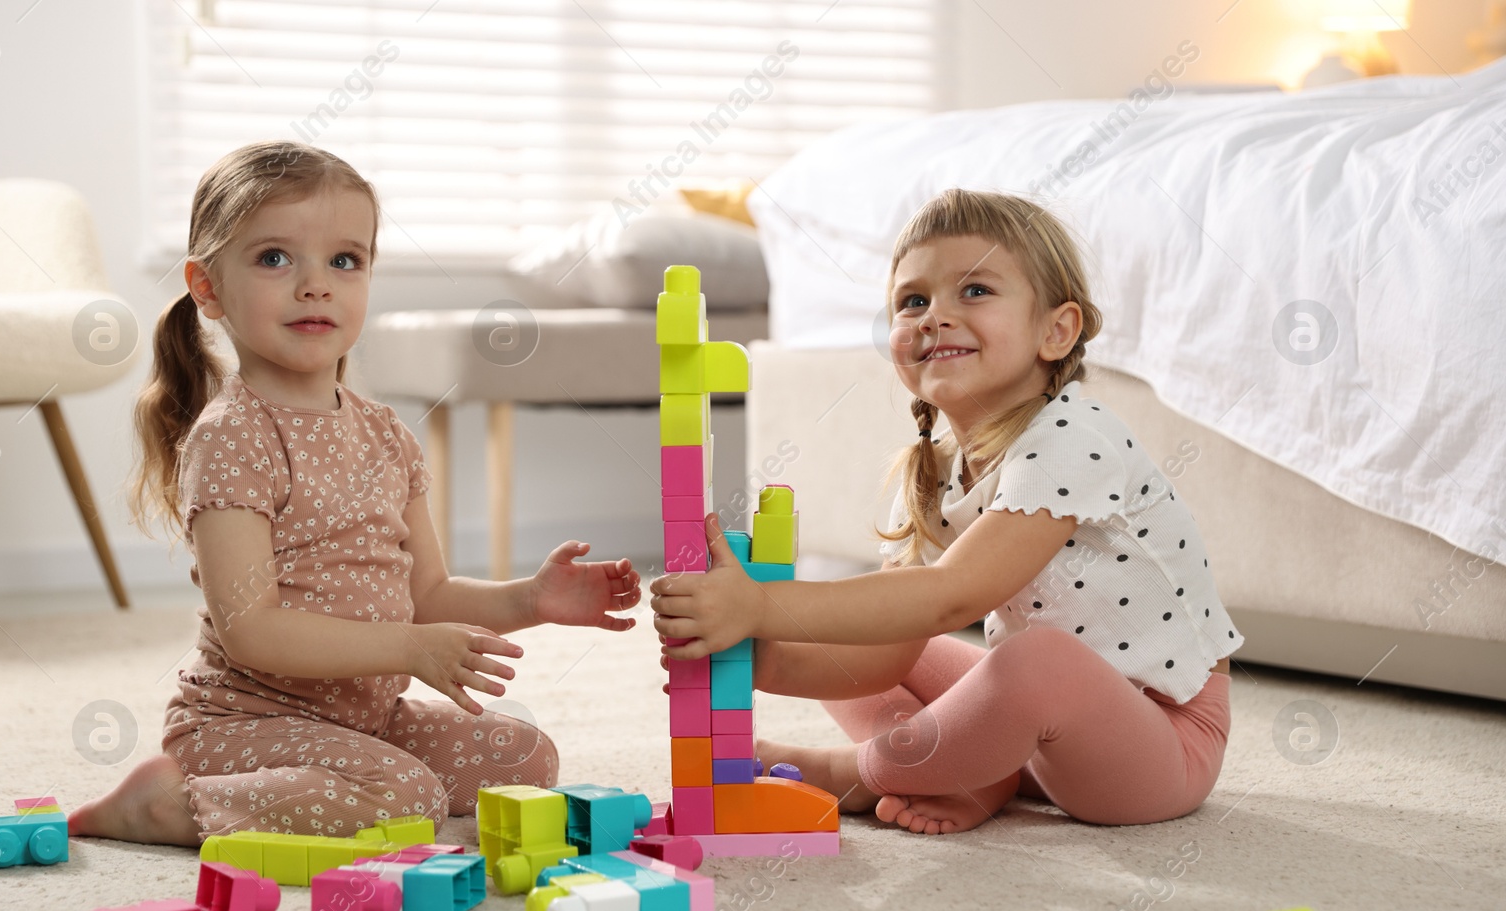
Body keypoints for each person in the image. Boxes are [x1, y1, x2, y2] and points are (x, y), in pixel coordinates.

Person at [70, 141, 639, 847]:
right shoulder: (232, 438)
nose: (317, 285)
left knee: (525, 756)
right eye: (275, 258)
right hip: (244, 724)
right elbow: (252, 629)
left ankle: (335, 777)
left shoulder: (385, 433)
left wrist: (530, 599)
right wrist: (407, 648)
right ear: (208, 287)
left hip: (363, 716)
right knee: (408, 800)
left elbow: (425, 594)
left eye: (345, 260)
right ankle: (166, 802)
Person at [652, 188, 1242, 835]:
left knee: (1032, 660)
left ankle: (855, 769)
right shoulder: (933, 463)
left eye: (975, 291)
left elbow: (950, 595)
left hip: (1161, 742)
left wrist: (763, 604)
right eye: (913, 301)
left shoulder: (1076, 437)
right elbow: (890, 647)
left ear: (1057, 330)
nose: (935, 315)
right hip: (1039, 739)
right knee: (860, 623)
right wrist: (757, 653)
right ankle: (972, 772)